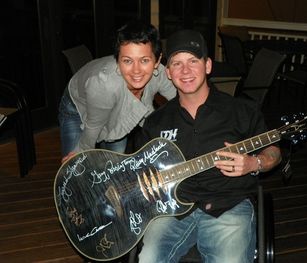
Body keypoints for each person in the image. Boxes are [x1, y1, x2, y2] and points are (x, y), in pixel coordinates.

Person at [135, 29, 282, 263]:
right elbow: (139, 171)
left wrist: (254, 163)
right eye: (177, 63)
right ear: (168, 73)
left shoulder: (241, 110)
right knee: (149, 258)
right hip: (173, 210)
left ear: (208, 66)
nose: (185, 71)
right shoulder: (155, 122)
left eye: (193, 61)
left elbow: (274, 151)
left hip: (229, 205)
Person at [58, 20, 176, 162]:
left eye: (144, 60)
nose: (136, 70)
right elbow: (93, 127)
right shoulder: (104, 84)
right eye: (127, 61)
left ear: (157, 61)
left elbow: (183, 101)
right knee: (77, 169)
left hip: (113, 104)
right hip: (77, 105)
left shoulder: (161, 74)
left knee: (114, 164)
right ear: (118, 60)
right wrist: (80, 154)